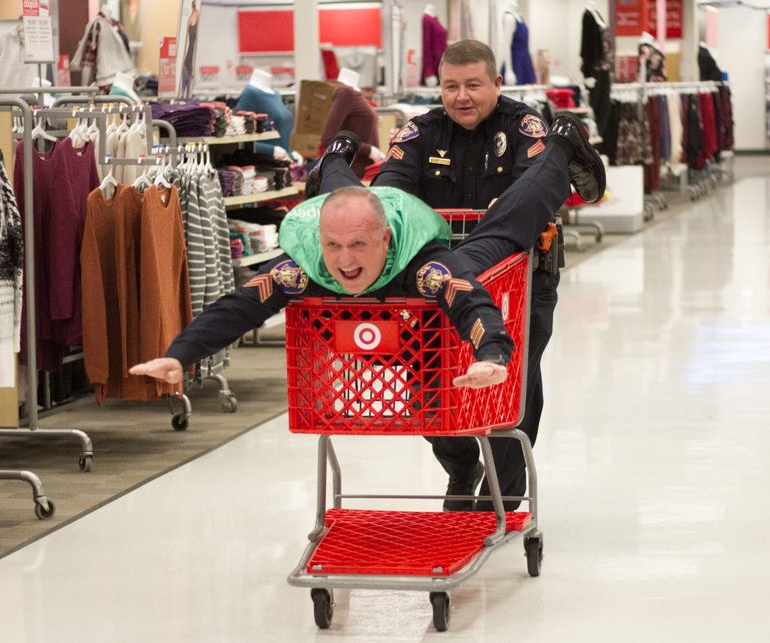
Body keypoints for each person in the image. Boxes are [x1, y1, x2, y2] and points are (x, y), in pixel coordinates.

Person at [130, 122, 583, 444]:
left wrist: (492, 354)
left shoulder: (426, 265)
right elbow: (241, 305)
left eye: (359, 246)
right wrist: (180, 355)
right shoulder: (308, 264)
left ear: (384, 239)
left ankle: (562, 147)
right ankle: (335, 161)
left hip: (413, 231)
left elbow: (471, 302)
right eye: (334, 247)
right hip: (354, 214)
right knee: (339, 198)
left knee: (502, 229)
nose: (344, 263)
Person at [305, 39, 605, 512]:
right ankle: (463, 463)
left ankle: (498, 500)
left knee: (512, 385)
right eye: (451, 87)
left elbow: (532, 197)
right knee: (427, 379)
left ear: (497, 84)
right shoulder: (419, 133)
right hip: (433, 282)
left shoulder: (523, 126)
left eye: (473, 85)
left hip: (513, 275)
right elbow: (391, 197)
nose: (461, 96)